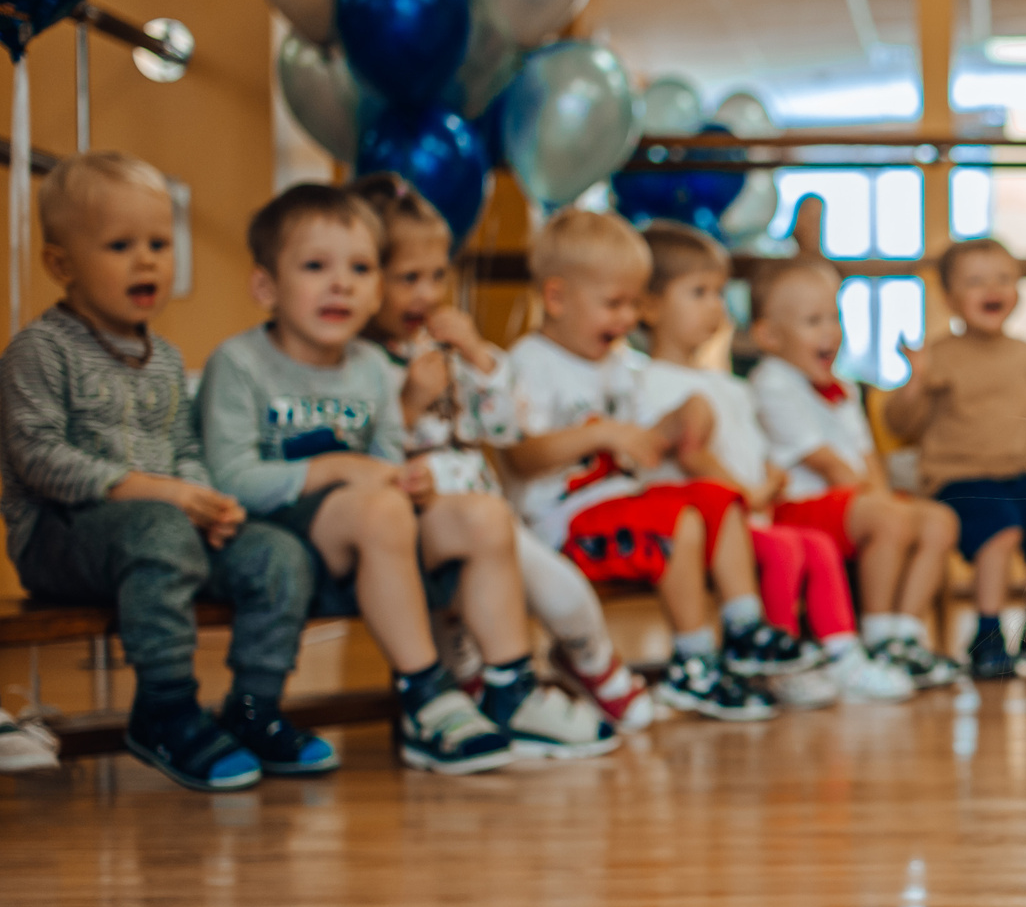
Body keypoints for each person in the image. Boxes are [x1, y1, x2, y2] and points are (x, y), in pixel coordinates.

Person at [198, 184, 549, 775]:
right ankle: (424, 693)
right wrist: (340, 469)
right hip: (284, 538)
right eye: (316, 267)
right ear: (266, 287)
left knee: (481, 514)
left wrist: (410, 481)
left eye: (360, 269)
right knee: (379, 508)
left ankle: (511, 683)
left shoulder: (369, 368)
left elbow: (387, 450)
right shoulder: (239, 363)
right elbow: (229, 479)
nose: (342, 284)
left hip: (374, 538)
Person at [0, 152, 316, 790]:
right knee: (159, 532)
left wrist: (206, 497)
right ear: (61, 265)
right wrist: (157, 494)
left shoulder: (166, 359)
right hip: (62, 538)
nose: (147, 260)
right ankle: (164, 709)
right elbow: (37, 458)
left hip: (162, 530)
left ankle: (254, 706)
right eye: (121, 245)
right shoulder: (40, 350)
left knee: (278, 553)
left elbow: (183, 447)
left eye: (159, 244)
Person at [500, 209, 818, 724]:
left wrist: (680, 416)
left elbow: (649, 435)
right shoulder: (530, 362)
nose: (627, 319)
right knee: (679, 522)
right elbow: (520, 454)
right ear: (556, 298)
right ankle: (694, 662)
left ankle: (743, 627)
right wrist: (601, 432)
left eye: (632, 303)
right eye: (613, 304)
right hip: (562, 525)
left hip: (623, 505)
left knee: (717, 499)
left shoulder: (621, 366)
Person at [347, 172, 632, 747]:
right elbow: (360, 455)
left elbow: (504, 427)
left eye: (436, 277)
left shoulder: (447, 353)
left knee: (560, 591)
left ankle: (598, 666)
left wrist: (479, 359)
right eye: (408, 279)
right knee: (452, 632)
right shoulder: (362, 364)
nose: (426, 295)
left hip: (488, 514)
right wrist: (406, 406)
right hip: (422, 519)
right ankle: (469, 705)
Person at [635, 222, 909, 704]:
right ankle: (775, 665)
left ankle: (837, 652)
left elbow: (752, 449)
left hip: (750, 511)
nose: (716, 307)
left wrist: (768, 478)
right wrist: (747, 493)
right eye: (699, 292)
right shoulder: (645, 381)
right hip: (710, 522)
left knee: (815, 548)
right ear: (651, 306)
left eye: (719, 293)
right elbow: (687, 456)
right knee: (786, 550)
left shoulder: (731, 386)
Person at [746, 257, 965, 689]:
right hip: (801, 507)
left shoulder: (843, 389)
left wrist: (884, 498)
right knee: (887, 517)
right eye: (813, 321)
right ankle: (877, 634)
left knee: (939, 521)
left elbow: (868, 461)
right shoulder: (771, 382)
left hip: (852, 503)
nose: (830, 330)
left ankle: (906, 633)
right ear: (770, 335)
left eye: (834, 317)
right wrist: (883, 505)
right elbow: (828, 464)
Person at [884, 238, 1026, 681]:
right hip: (960, 478)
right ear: (949, 299)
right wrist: (915, 381)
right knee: (1000, 529)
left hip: (1019, 475)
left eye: (1002, 278)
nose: (991, 288)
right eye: (975, 281)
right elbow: (901, 422)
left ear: (1018, 289)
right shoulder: (940, 355)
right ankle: (988, 633)